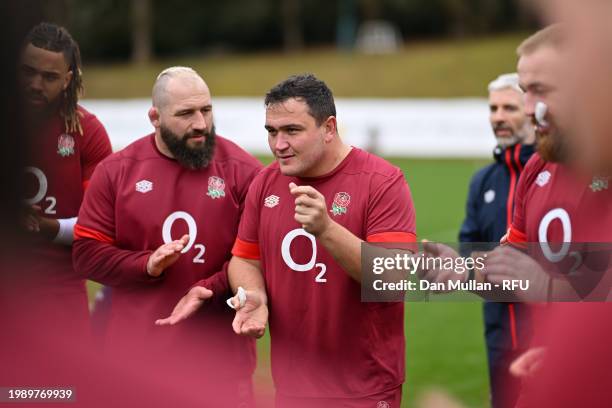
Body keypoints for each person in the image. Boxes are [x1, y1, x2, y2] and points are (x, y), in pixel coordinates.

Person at [159, 73, 417, 407]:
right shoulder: (265, 183)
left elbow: (394, 278)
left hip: (363, 386)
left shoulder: (382, 182)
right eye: (271, 131)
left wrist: (327, 228)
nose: (279, 144)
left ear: (328, 128)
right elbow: (246, 258)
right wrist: (253, 295)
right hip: (291, 385)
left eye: (292, 131)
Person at [73, 66, 262, 406]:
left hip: (220, 364)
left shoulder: (245, 172)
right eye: (186, 113)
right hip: (137, 363)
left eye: (206, 110)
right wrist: (146, 265)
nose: (201, 124)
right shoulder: (116, 172)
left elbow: (259, 258)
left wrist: (209, 286)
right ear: (154, 117)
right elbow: (86, 254)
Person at [16, 22, 112, 340]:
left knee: (60, 391)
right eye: (28, 72)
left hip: (61, 295)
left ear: (68, 79)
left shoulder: (88, 133)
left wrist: (45, 228)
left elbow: (98, 226)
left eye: (49, 77)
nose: (35, 84)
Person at [459, 72, 535, 408]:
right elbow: (468, 251)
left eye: (509, 108)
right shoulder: (482, 181)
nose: (498, 118)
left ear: (531, 110)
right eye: (493, 109)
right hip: (500, 337)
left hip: (554, 336)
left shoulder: (561, 172)